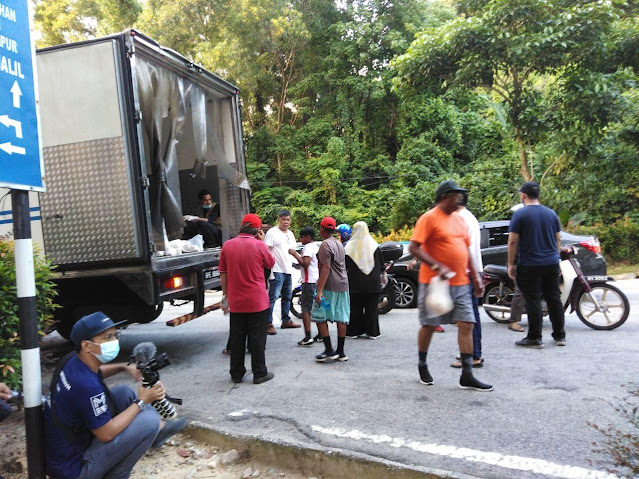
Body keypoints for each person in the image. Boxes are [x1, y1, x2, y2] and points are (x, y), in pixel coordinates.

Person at [44, 312, 185, 479]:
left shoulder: (72, 360)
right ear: (87, 345)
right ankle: (117, 475)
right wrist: (141, 401)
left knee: (124, 393)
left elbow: (95, 374)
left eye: (115, 335)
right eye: (107, 337)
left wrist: (124, 367)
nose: (114, 341)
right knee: (149, 420)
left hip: (62, 449)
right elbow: (106, 434)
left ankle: (156, 435)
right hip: (75, 470)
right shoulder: (87, 386)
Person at [408, 180, 493, 391]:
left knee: (467, 323)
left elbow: (466, 251)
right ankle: (422, 364)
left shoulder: (459, 219)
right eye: (456, 195)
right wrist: (437, 266)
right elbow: (414, 248)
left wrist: (476, 277)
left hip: (461, 281)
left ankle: (467, 374)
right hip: (434, 282)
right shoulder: (428, 218)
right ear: (445, 197)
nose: (460, 199)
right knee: (429, 325)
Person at [507, 182, 565, 348]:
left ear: (523, 195)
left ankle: (534, 338)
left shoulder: (520, 214)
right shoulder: (551, 214)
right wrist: (556, 257)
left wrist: (510, 264)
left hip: (530, 264)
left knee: (532, 299)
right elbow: (558, 238)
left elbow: (512, 241)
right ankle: (560, 336)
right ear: (538, 195)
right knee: (554, 298)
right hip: (551, 262)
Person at [220, 213, 276, 384]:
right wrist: (263, 242)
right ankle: (259, 373)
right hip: (257, 301)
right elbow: (271, 263)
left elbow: (223, 273)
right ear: (257, 230)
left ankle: (236, 374)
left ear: (241, 227)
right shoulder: (259, 246)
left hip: (236, 302)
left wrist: (225, 296)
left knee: (237, 338)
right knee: (257, 338)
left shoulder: (227, 246)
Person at [451, 192, 484, 368]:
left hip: (465, 272)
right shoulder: (469, 217)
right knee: (471, 315)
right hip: (473, 271)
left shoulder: (459, 219)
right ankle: (473, 352)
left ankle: (473, 355)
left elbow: (464, 249)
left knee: (467, 317)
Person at [312, 217, 350, 362]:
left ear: (322, 229)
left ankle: (329, 350)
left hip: (329, 288)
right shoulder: (339, 244)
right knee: (341, 318)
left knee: (319, 315)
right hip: (343, 286)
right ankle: (340, 352)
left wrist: (319, 290)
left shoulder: (325, 245)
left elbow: (326, 267)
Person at [264, 209, 301, 334]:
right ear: (278, 219)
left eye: (288, 220)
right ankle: (268, 323)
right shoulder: (272, 232)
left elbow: (292, 250)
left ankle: (286, 320)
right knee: (273, 297)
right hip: (276, 269)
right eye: (283, 219)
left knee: (287, 296)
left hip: (287, 270)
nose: (286, 222)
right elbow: (266, 250)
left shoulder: (290, 234)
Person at [345, 221, 383, 339]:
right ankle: (373, 332)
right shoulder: (374, 245)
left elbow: (345, 265)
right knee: (371, 308)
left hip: (355, 282)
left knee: (355, 308)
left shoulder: (349, 246)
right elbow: (381, 264)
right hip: (373, 282)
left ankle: (354, 331)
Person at [288, 226, 322, 346]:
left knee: (306, 309)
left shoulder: (307, 248)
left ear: (307, 237)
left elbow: (305, 264)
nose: (300, 239)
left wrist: (294, 254)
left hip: (309, 282)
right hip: (316, 280)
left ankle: (308, 336)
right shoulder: (315, 247)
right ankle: (321, 333)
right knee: (317, 308)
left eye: (302, 237)